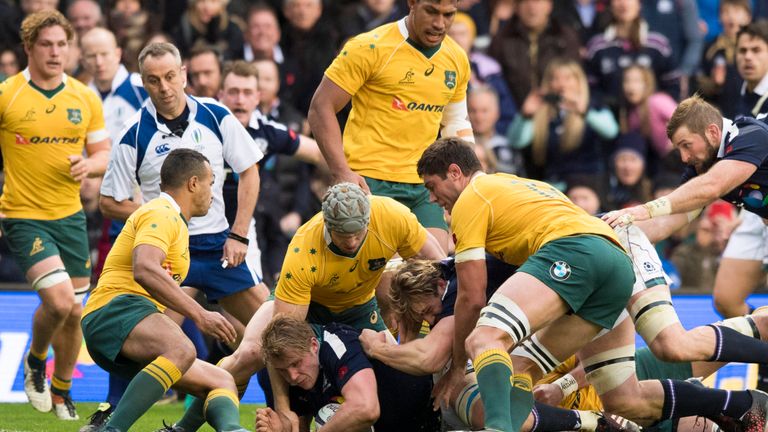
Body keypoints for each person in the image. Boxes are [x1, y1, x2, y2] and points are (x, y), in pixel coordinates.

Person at [417, 137, 768, 432]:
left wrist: (455, 368)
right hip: (609, 264)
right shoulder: (521, 187)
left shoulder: (473, 199)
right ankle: (740, 404)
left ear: (455, 173)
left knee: (486, 338)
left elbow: (472, 297)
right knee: (622, 399)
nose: (433, 200)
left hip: (587, 249)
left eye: (432, 188)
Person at [164, 182, 446, 431]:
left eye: (357, 235)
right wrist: (283, 408)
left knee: (396, 366)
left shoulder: (391, 216)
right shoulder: (303, 248)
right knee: (249, 353)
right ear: (326, 224)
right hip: (306, 305)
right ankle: (182, 428)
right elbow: (280, 338)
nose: (350, 242)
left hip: (358, 306)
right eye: (341, 235)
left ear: (368, 221)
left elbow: (442, 269)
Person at [99, 42, 267, 342]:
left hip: (219, 246)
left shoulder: (215, 114)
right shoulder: (133, 132)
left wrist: (239, 234)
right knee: (155, 343)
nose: (164, 87)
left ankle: (236, 385)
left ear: (183, 74)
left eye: (170, 76)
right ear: (143, 81)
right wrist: (159, 214)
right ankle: (125, 390)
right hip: (168, 251)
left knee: (274, 331)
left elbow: (250, 171)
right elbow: (109, 203)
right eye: (153, 80)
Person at [81, 148, 247, 432]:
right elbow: (144, 268)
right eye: (211, 182)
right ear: (193, 183)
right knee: (182, 348)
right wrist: (200, 315)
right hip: (114, 310)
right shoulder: (162, 212)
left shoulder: (177, 223)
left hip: (131, 320)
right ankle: (111, 430)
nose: (213, 191)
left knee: (221, 380)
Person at [0, 9, 110, 421]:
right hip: (23, 214)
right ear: (29, 47)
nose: (55, 52)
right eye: (46, 44)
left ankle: (61, 390)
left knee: (76, 310)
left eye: (62, 44)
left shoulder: (83, 96)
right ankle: (34, 361)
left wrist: (90, 165)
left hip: (70, 218)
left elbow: (103, 152)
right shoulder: (8, 93)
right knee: (60, 300)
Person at [309, 0, 472, 253]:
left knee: (433, 274)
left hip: (423, 184)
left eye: (448, 15)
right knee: (378, 278)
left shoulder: (457, 58)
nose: (440, 23)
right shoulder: (369, 46)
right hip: (368, 180)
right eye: (431, 11)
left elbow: (456, 123)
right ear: (412, 3)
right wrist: (341, 172)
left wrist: (468, 180)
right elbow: (320, 108)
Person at [79, 26, 149, 431]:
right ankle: (116, 399)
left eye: (104, 53)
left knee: (166, 297)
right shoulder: (88, 97)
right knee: (126, 295)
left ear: (118, 51)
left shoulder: (141, 90)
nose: (98, 61)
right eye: (90, 55)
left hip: (147, 212)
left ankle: (205, 381)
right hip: (116, 215)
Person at [217, 60, 322, 284]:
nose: (240, 100)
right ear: (221, 95)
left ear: (258, 97)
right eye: (233, 92)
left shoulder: (266, 130)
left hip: (243, 228)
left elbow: (318, 153)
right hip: (199, 227)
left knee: (253, 304)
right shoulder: (202, 126)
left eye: (247, 93)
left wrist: (347, 174)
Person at [254, 316, 439, 432]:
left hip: (424, 414)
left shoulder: (337, 344)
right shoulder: (276, 375)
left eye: (296, 363)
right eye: (283, 370)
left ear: (313, 345)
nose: (292, 376)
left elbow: (366, 409)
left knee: (338, 418)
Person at [507, 58, 618, 188]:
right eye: (555, 79)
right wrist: (525, 116)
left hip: (587, 184)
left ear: (579, 81)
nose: (562, 84)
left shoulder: (594, 105)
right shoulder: (543, 112)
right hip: (553, 186)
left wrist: (584, 112)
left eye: (567, 78)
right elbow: (516, 142)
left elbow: (611, 131)